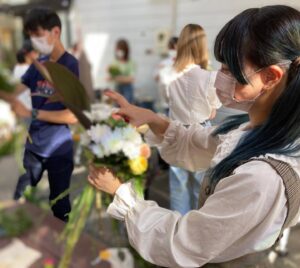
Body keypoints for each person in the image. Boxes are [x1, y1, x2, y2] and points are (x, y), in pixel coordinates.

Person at [87, 5, 300, 267]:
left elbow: (183, 243)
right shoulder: (260, 132)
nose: (218, 77)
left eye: (228, 68)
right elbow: (202, 142)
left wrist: (121, 194)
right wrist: (153, 119)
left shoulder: (262, 179)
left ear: (270, 76)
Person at [1, 8, 79, 222]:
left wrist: (32, 112)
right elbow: (14, 92)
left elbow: (72, 116)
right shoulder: (38, 66)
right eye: (30, 36)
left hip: (58, 148)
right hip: (34, 145)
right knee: (22, 197)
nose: (33, 40)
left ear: (55, 31)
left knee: (59, 205)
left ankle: (61, 251)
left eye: (37, 35)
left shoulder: (70, 65)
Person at [165, 24, 221, 215]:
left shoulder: (169, 74)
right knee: (201, 185)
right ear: (201, 46)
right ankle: (196, 232)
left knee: (178, 187)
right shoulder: (209, 77)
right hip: (201, 132)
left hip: (175, 132)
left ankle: (178, 230)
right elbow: (212, 113)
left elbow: (168, 102)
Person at [154, 36, 178, 113]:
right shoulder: (163, 63)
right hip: (166, 102)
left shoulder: (184, 63)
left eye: (175, 48)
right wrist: (162, 70)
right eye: (171, 48)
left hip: (179, 102)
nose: (173, 50)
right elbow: (156, 78)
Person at [108, 39, 135, 103]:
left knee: (127, 108)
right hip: (117, 89)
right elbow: (111, 77)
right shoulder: (115, 62)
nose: (119, 51)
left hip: (127, 90)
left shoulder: (130, 62)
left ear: (126, 50)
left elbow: (131, 79)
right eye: (117, 49)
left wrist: (118, 78)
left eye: (121, 49)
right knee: (117, 109)